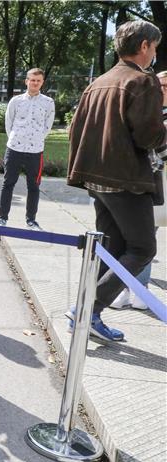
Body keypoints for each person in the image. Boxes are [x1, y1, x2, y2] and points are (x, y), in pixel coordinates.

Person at [67, 20, 165, 341]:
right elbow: (149, 136)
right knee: (142, 249)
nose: (155, 54)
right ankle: (86, 309)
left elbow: (74, 129)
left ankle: (86, 312)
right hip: (126, 180)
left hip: (96, 179)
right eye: (155, 47)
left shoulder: (99, 82)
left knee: (112, 249)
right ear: (144, 47)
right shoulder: (142, 81)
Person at [110, 69, 167, 311]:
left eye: (166, 86)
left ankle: (139, 290)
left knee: (144, 239)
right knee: (133, 238)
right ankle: (128, 289)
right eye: (160, 85)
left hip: (158, 183)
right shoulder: (149, 111)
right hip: (140, 179)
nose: (162, 90)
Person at [0, 68, 56, 231]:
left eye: (38, 80)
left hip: (35, 150)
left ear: (42, 82)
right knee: (8, 182)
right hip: (14, 147)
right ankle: (2, 217)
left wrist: (36, 139)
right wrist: (15, 138)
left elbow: (47, 125)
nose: (35, 83)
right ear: (26, 81)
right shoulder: (16, 101)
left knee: (34, 186)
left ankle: (31, 219)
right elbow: (9, 123)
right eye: (32, 80)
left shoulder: (48, 102)